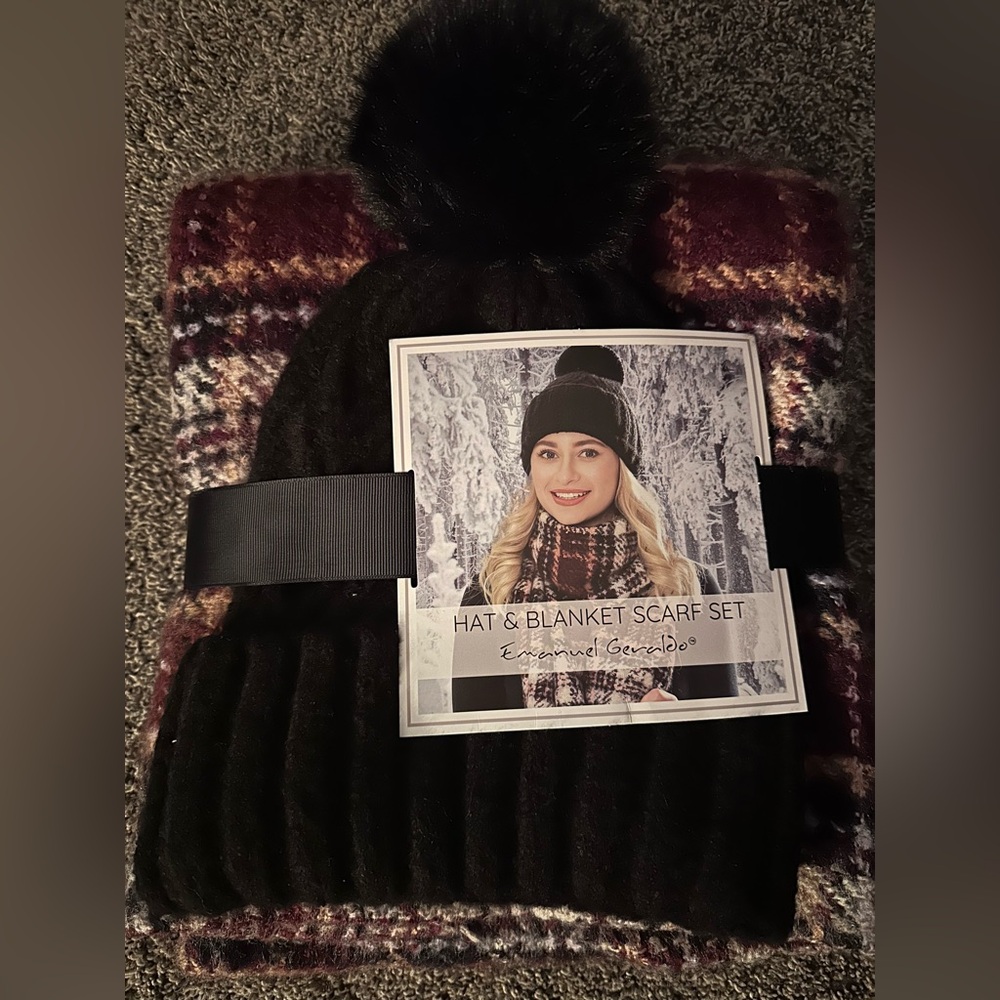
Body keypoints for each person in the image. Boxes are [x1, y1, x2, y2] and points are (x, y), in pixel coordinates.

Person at [452, 345, 739, 711]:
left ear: (622, 466)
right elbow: (473, 751)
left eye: (588, 452)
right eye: (548, 453)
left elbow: (733, 743)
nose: (565, 474)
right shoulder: (489, 594)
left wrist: (682, 730)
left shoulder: (690, 588)